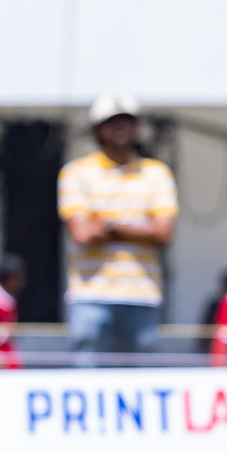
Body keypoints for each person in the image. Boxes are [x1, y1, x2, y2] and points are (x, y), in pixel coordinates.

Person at [58, 93, 178, 357]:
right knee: (88, 383)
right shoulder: (76, 172)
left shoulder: (157, 173)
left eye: (128, 121)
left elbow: (164, 232)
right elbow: (82, 233)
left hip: (142, 295)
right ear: (98, 129)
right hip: (90, 296)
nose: (121, 128)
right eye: (113, 122)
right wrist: (140, 227)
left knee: (141, 386)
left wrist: (109, 224)